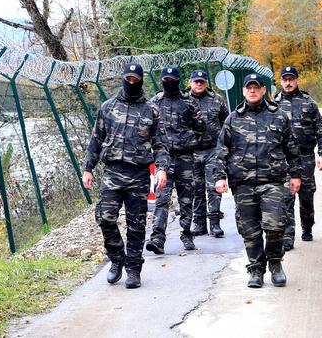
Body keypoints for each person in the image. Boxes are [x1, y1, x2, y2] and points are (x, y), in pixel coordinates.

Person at [83, 62, 169, 289]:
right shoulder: (108, 107)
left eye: (135, 80)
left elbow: (160, 144)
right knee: (105, 217)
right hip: (112, 172)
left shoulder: (151, 110)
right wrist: (88, 168)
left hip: (139, 174)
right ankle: (116, 258)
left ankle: (133, 268)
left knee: (136, 225)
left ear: (140, 81)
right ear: (123, 79)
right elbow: (96, 139)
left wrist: (161, 168)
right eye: (128, 79)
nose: (131, 83)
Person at [214, 74, 302, 288]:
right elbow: (220, 152)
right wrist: (219, 177)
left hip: (273, 182)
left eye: (256, 88)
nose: (252, 91)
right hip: (243, 183)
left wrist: (296, 175)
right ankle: (255, 270)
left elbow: (292, 148)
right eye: (249, 88)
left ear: (264, 90)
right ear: (244, 91)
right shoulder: (233, 119)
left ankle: (275, 263)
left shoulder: (279, 116)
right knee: (249, 230)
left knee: (275, 226)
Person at [145, 66, 205, 253]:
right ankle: (157, 238)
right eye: (166, 80)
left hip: (185, 158)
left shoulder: (189, 102)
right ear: (162, 80)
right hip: (163, 160)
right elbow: (148, 130)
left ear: (178, 81)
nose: (169, 83)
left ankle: (187, 234)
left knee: (186, 199)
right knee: (162, 198)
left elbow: (201, 127)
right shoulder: (155, 102)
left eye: (172, 80)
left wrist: (189, 141)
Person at [274, 66, 322, 250]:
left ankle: (307, 227)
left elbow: (320, 130)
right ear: (280, 81)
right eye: (285, 79)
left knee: (306, 196)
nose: (288, 83)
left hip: (304, 157)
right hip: (283, 159)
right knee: (286, 196)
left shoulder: (309, 103)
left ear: (297, 80)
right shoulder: (274, 104)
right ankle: (288, 236)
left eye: (291, 79)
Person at [189, 70, 229, 238]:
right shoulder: (184, 101)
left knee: (214, 187)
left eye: (202, 81)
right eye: (196, 81)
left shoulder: (216, 100)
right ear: (190, 82)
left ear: (206, 83)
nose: (199, 84)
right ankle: (199, 223)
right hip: (191, 151)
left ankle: (215, 223)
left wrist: (225, 148)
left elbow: (225, 123)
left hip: (213, 149)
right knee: (196, 188)